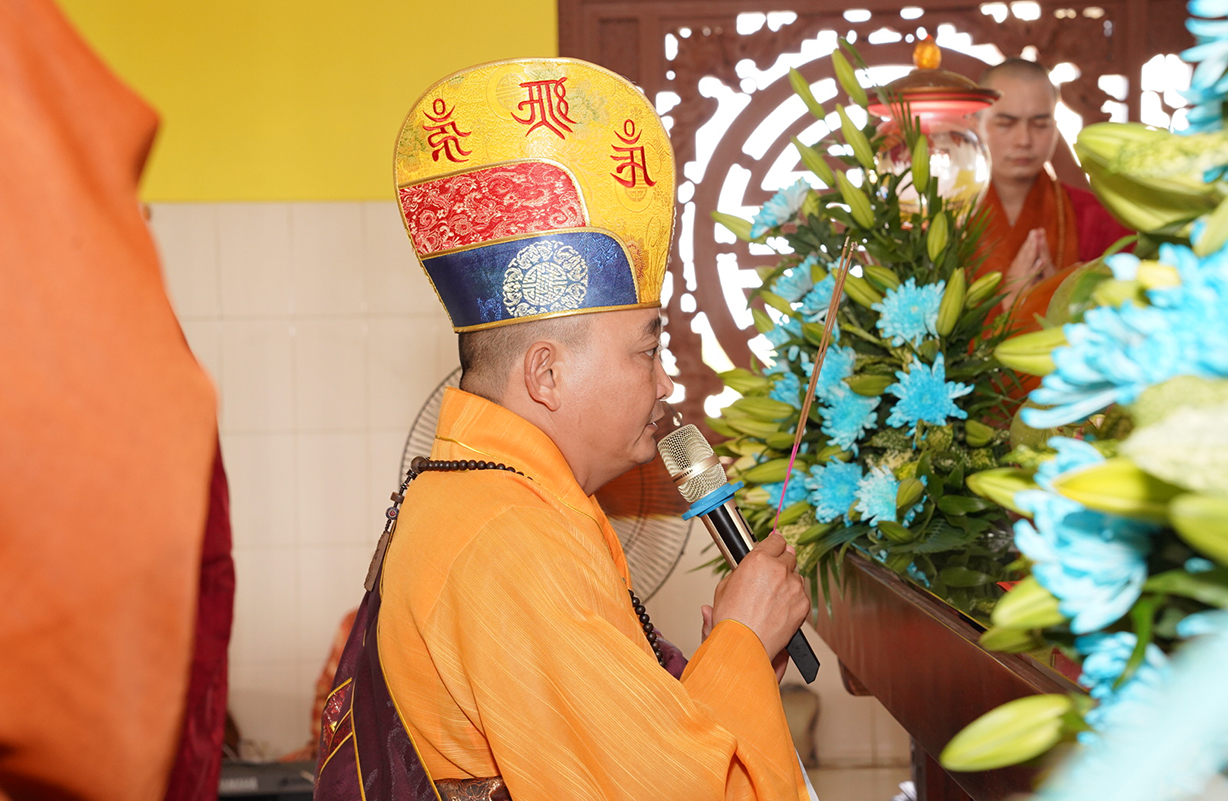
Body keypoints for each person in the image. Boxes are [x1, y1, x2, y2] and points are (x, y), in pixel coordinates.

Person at [313, 58, 812, 801]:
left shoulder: (493, 501)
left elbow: (616, 746)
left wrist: (739, 659)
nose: (664, 383)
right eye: (646, 350)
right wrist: (741, 641)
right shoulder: (510, 540)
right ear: (546, 373)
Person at [975, 58, 1132, 324]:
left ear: (1055, 125)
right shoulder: (944, 217)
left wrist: (1056, 297)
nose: (1024, 140)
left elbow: (1127, 319)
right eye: (1006, 123)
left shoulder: (1101, 218)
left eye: (1040, 124)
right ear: (975, 123)